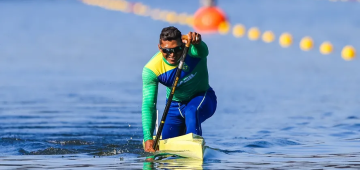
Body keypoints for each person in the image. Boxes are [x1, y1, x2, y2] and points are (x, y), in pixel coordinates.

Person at [142, 26, 217, 152]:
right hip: (174, 106)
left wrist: (198, 41)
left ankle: (194, 147)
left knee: (192, 111)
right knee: (166, 148)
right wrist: (148, 137)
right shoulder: (151, 70)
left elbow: (204, 50)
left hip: (202, 97)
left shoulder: (193, 51)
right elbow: (149, 104)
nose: (172, 55)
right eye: (167, 50)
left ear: (183, 45)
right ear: (159, 48)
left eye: (177, 50)